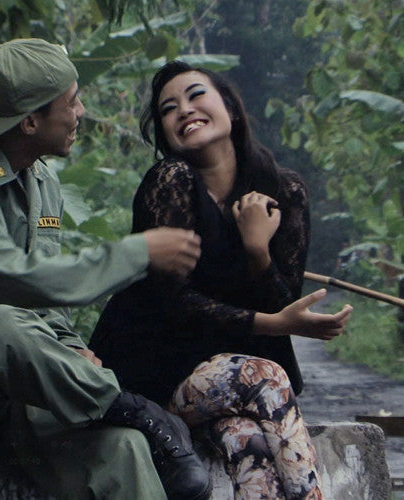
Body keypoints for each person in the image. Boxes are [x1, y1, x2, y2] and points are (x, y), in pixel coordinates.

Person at [0, 40, 213, 500]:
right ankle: (135, 409)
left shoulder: (43, 181)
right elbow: (9, 280)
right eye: (72, 102)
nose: (81, 112)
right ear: (30, 122)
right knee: (0, 324)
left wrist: (70, 347)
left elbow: (46, 303)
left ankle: (129, 417)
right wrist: (136, 254)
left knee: (121, 448)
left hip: (14, 391)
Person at [89, 61, 353, 499]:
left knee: (245, 440)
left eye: (196, 95)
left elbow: (282, 299)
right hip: (156, 370)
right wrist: (274, 324)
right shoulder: (170, 182)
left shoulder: (283, 191)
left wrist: (257, 250)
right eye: (168, 108)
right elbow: (171, 302)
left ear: (229, 107)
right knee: (263, 376)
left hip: (228, 385)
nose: (184, 110)